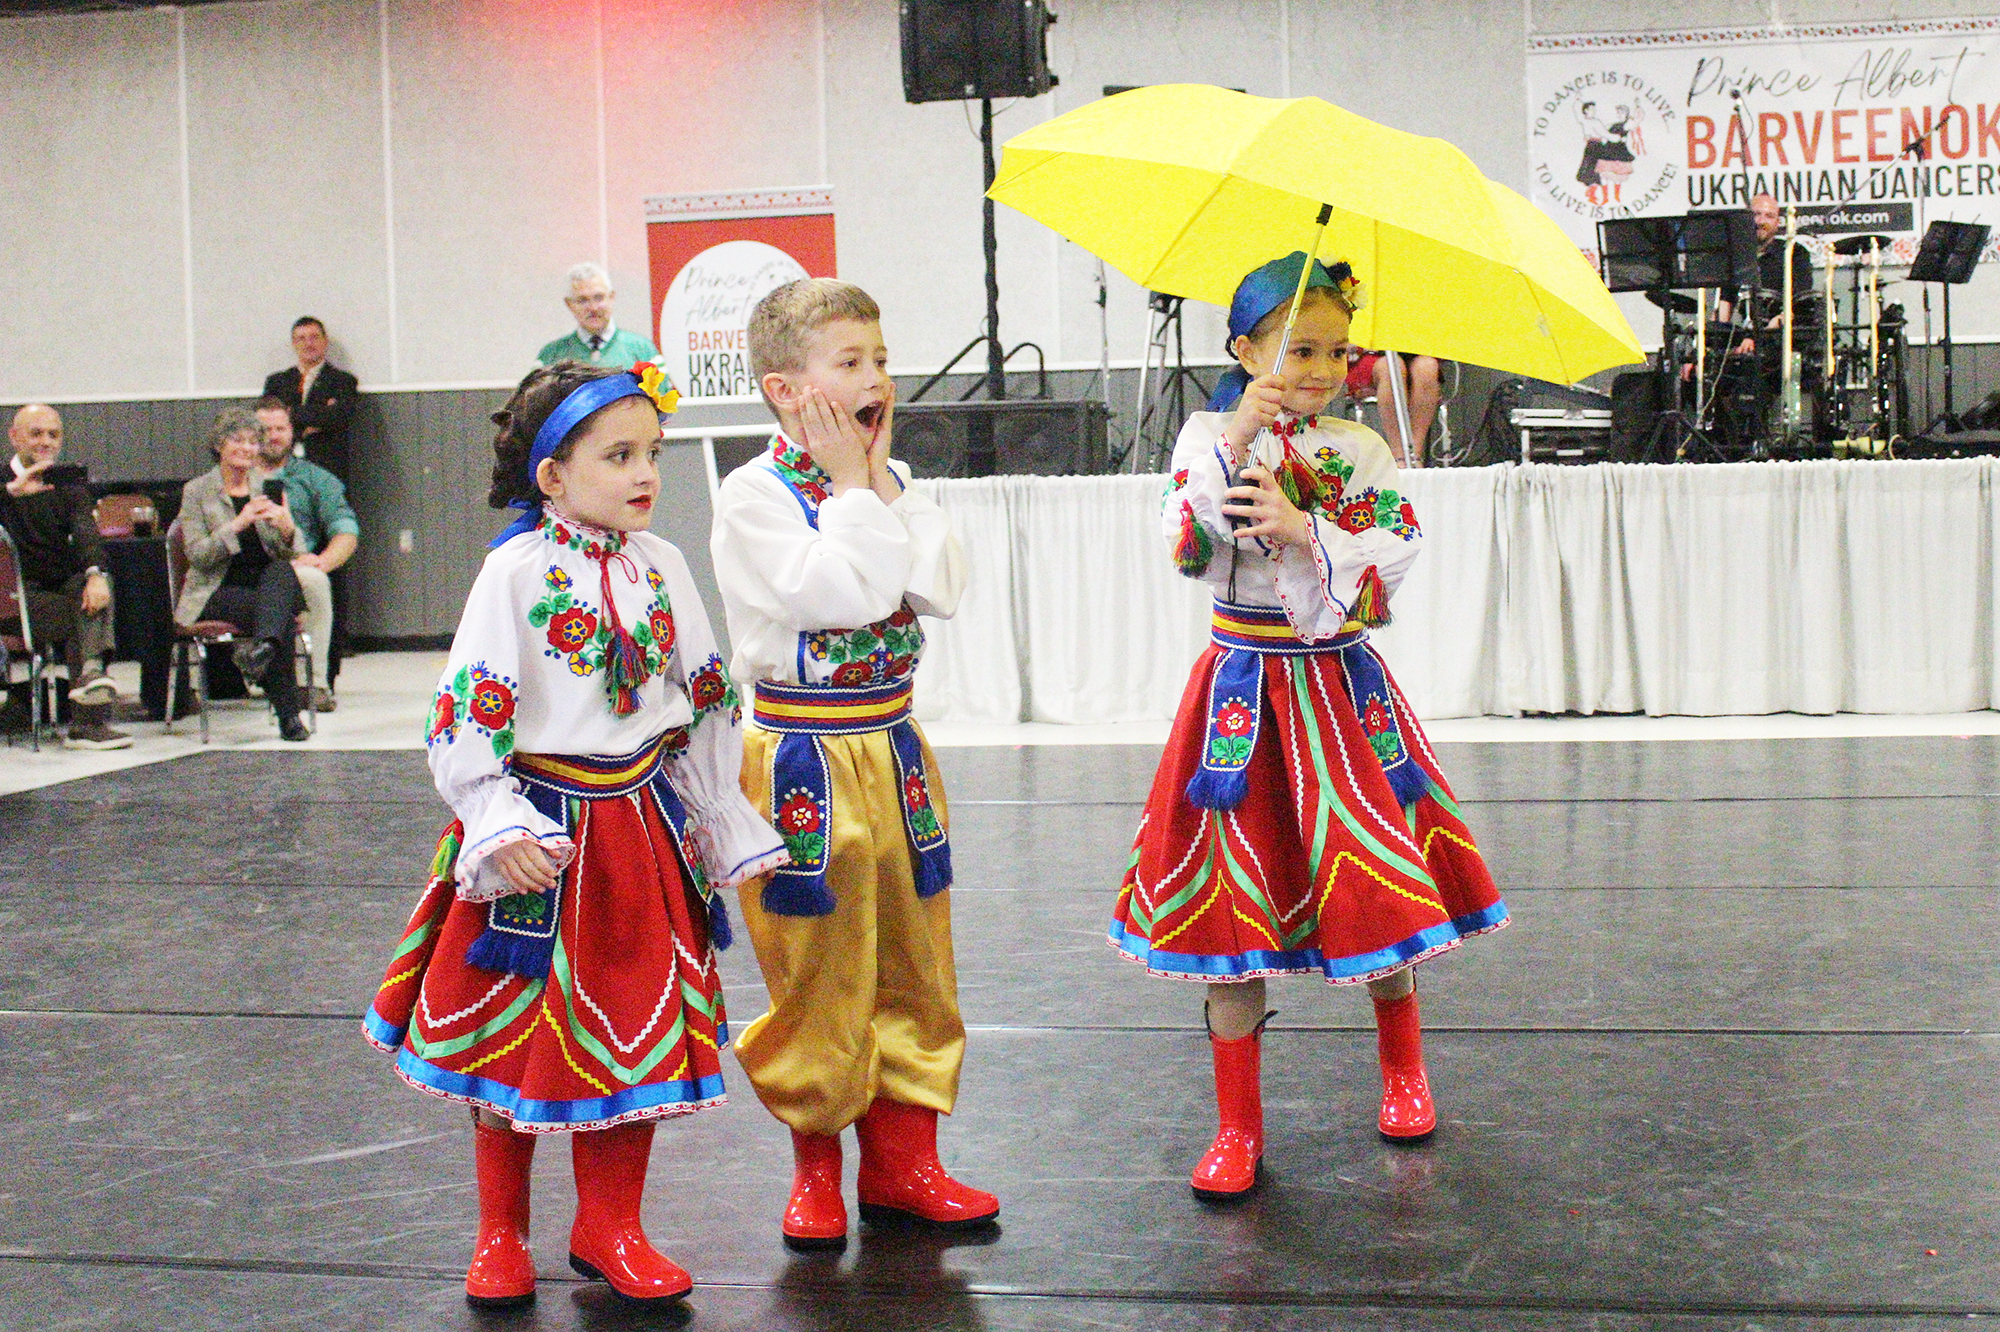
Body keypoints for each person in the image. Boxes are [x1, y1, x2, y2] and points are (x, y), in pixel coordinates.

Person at [363, 360, 785, 1310]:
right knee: (507, 1035)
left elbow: (709, 697)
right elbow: (469, 709)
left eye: (654, 454)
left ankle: (611, 1225)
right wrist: (492, 817)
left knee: (630, 1027)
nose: (645, 474)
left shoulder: (665, 564)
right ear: (552, 474)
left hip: (639, 830)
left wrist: (715, 813)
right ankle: (499, 1232)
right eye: (619, 456)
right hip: (539, 837)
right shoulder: (511, 573)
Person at [1112, 253, 1508, 1202]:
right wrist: (1229, 458)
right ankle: (1237, 1126)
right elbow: (1187, 548)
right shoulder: (1207, 436)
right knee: (1229, 909)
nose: (1322, 369)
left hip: (1337, 693)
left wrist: (1306, 532)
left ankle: (1404, 1070)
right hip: (1240, 700)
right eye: (1298, 348)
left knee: (1379, 887)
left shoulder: (1360, 448)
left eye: (1338, 351)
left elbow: (1393, 549)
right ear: (1243, 348)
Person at [711, 278, 993, 1253]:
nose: (877, 378)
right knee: (818, 966)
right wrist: (855, 494)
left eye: (879, 357)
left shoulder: (891, 481)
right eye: (850, 363)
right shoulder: (752, 497)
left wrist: (867, 487)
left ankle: (905, 1164)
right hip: (802, 759)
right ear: (788, 391)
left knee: (917, 954)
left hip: (894, 746)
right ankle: (815, 1167)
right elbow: (841, 592)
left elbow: (940, 585)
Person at [175, 408, 311, 742]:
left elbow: (293, 553)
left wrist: (288, 528)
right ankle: (289, 716)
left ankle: (262, 650)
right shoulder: (197, 491)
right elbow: (198, 556)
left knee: (280, 574)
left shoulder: (267, 487)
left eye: (253, 442)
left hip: (266, 585)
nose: (246, 448)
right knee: (276, 615)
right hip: (216, 589)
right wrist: (238, 523)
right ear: (220, 445)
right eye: (238, 440)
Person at [0, 404, 130, 749]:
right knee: (83, 615)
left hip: (57, 592)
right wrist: (11, 492)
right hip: (15, 600)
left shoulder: (67, 487)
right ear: (14, 437)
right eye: (36, 433)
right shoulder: (2, 483)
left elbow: (87, 534)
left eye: (53, 434)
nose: (45, 442)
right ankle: (89, 721)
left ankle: (90, 679)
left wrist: (96, 574)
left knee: (93, 590)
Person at [254, 397, 357, 711]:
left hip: (294, 565)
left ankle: (313, 684)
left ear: (291, 432)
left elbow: (346, 530)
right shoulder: (234, 476)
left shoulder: (315, 478)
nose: (273, 435)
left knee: (314, 579)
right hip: (243, 567)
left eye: (280, 428)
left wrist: (323, 561)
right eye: (264, 429)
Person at [262, 316, 359, 481]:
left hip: (327, 469)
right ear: (294, 344)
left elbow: (337, 418)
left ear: (325, 341)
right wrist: (316, 417)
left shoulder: (343, 381)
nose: (308, 344)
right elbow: (266, 420)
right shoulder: (277, 382)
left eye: (314, 337)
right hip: (283, 467)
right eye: (301, 338)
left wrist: (289, 412)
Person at [536, 262, 661, 370]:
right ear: (569, 304)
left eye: (599, 298)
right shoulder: (550, 356)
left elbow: (660, 396)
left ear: (612, 298)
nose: (593, 308)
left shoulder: (644, 351)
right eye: (582, 300)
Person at [1344, 347, 1442, 467]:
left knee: (1427, 367)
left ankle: (1414, 455)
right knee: (1391, 368)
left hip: (1412, 351)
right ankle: (1398, 457)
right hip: (1370, 355)